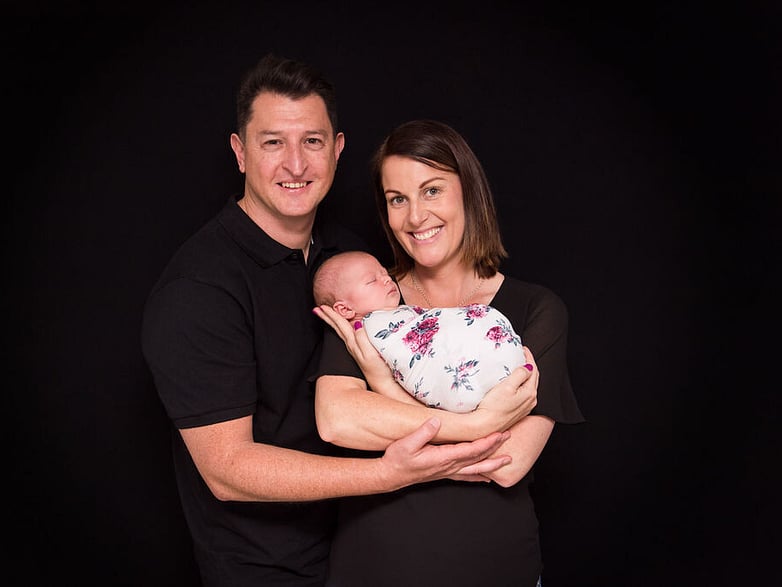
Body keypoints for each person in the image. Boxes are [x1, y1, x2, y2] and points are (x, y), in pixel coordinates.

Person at [141, 55, 539, 587]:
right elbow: (227, 471)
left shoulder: (351, 260)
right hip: (267, 570)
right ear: (239, 153)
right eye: (272, 142)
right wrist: (393, 469)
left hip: (360, 555)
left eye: (311, 141)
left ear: (338, 149)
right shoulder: (200, 290)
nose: (296, 165)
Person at [313, 119, 585, 587]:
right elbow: (337, 421)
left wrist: (381, 387)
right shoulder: (367, 307)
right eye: (398, 199)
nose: (416, 216)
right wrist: (478, 425)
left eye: (432, 190)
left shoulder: (537, 309)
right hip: (374, 570)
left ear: (468, 192)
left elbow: (507, 462)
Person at [312, 250, 529, 412]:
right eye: (371, 280)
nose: (387, 278)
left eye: (384, 273)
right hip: (453, 384)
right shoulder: (368, 328)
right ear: (345, 309)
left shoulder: (397, 313)